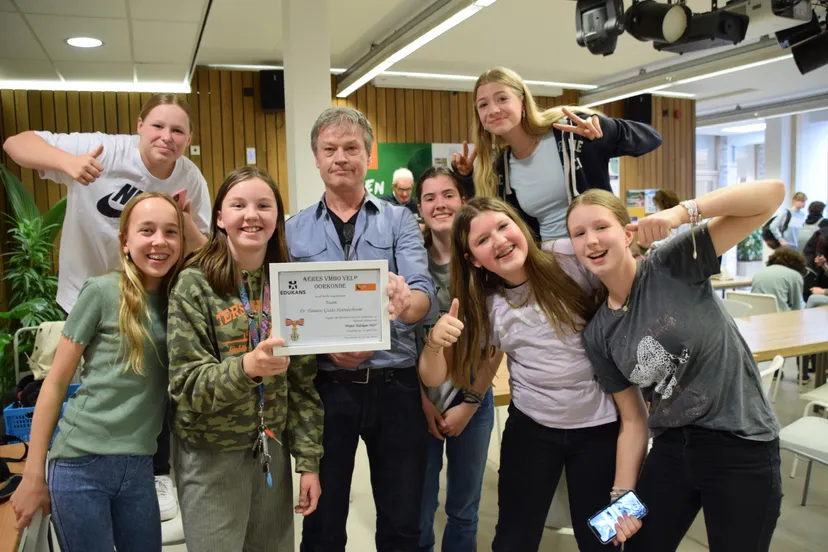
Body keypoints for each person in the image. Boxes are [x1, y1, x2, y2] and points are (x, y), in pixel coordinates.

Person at [2, 93, 211, 519]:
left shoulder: (190, 178)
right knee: (85, 386)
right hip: (89, 291)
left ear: (189, 137)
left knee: (150, 385)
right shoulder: (104, 149)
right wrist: (67, 163)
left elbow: (204, 252)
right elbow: (15, 143)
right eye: (157, 126)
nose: (166, 137)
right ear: (139, 125)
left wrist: (185, 224)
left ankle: (152, 472)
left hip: (151, 297)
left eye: (177, 130)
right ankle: (73, 470)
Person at [566, 179, 785, 552]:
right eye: (579, 233)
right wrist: (622, 494)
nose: (591, 240)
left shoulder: (670, 262)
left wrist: (681, 213)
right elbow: (633, 421)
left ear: (626, 230)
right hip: (671, 448)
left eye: (601, 227)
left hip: (740, 441)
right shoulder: (599, 334)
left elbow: (772, 195)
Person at [420, 196, 648, 551]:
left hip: (600, 428)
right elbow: (435, 377)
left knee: (605, 538)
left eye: (503, 226)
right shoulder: (484, 304)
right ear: (471, 259)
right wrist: (434, 342)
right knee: (514, 537)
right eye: (482, 241)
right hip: (532, 429)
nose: (498, 241)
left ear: (519, 225)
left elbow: (625, 275)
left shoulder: (568, 258)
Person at [287, 107, 436, 552]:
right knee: (323, 523)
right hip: (327, 390)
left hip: (396, 387)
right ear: (316, 158)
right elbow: (288, 309)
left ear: (368, 157)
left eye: (352, 148)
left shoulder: (400, 221)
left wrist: (406, 300)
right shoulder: (293, 231)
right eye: (330, 149)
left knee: (401, 521)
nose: (341, 157)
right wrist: (326, 350)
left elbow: (424, 297)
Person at [10, 192, 186, 552]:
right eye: (147, 230)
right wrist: (32, 474)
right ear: (124, 242)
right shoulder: (102, 292)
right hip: (79, 466)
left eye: (171, 232)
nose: (159, 241)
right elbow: (55, 383)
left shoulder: (181, 302)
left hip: (139, 468)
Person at [166, 166, 323, 552]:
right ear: (220, 217)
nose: (251, 215)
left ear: (277, 218)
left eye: (263, 206)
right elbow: (185, 387)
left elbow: (304, 385)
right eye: (238, 205)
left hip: (272, 450)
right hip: (210, 457)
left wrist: (308, 462)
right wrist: (246, 369)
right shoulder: (194, 282)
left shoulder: (289, 284)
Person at [450, 66, 662, 241]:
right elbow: (486, 212)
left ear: (522, 103)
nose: (493, 110)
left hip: (600, 248)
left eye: (502, 99)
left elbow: (652, 139)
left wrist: (607, 130)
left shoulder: (569, 132)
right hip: (552, 264)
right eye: (483, 105)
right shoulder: (501, 167)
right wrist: (466, 177)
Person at [415, 167, 498, 552]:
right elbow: (400, 342)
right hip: (421, 402)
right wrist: (422, 401)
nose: (440, 204)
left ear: (462, 201)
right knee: (420, 505)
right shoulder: (408, 260)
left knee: (464, 508)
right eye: (429, 197)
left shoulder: (485, 258)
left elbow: (498, 342)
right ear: (420, 207)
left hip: (473, 401)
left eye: (448, 194)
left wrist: (470, 403)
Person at [751, 247, 806, 312]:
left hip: (755, 315)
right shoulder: (795, 275)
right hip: (779, 316)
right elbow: (796, 307)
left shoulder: (760, 272)